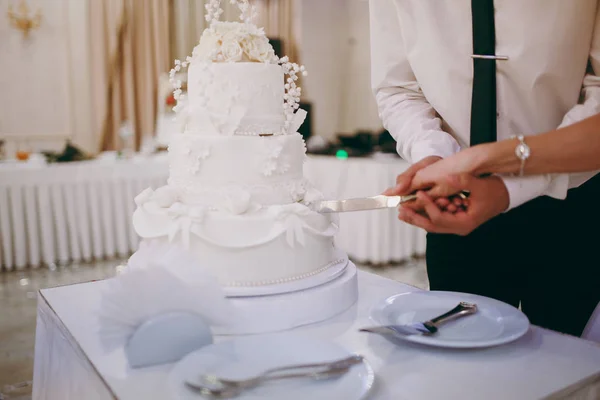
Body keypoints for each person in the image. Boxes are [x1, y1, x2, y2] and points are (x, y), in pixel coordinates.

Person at [370, 0, 600, 336]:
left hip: (576, 202)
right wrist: (434, 154)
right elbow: (397, 88)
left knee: (569, 365)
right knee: (461, 366)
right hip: (453, 209)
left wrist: (513, 184)